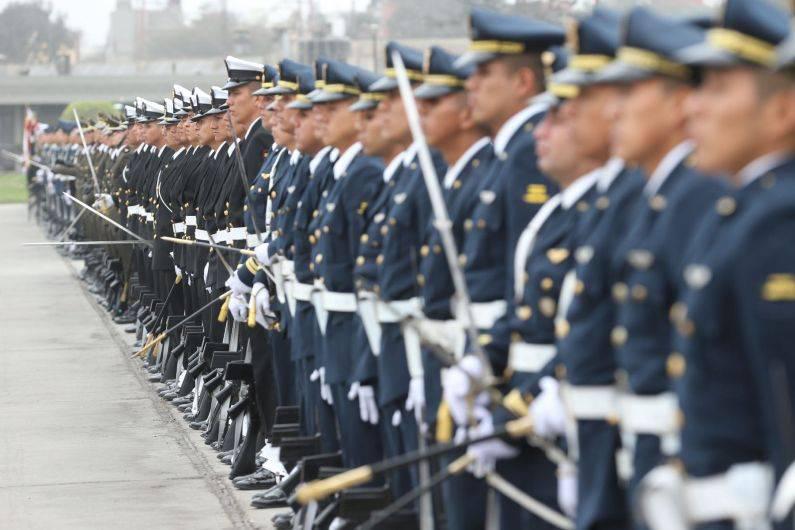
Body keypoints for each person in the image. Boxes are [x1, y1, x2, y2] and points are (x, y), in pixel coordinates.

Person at [639, 1, 795, 528]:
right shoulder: (739, 209)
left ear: (783, 110)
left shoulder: (780, 223)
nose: (693, 109)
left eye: (718, 89)